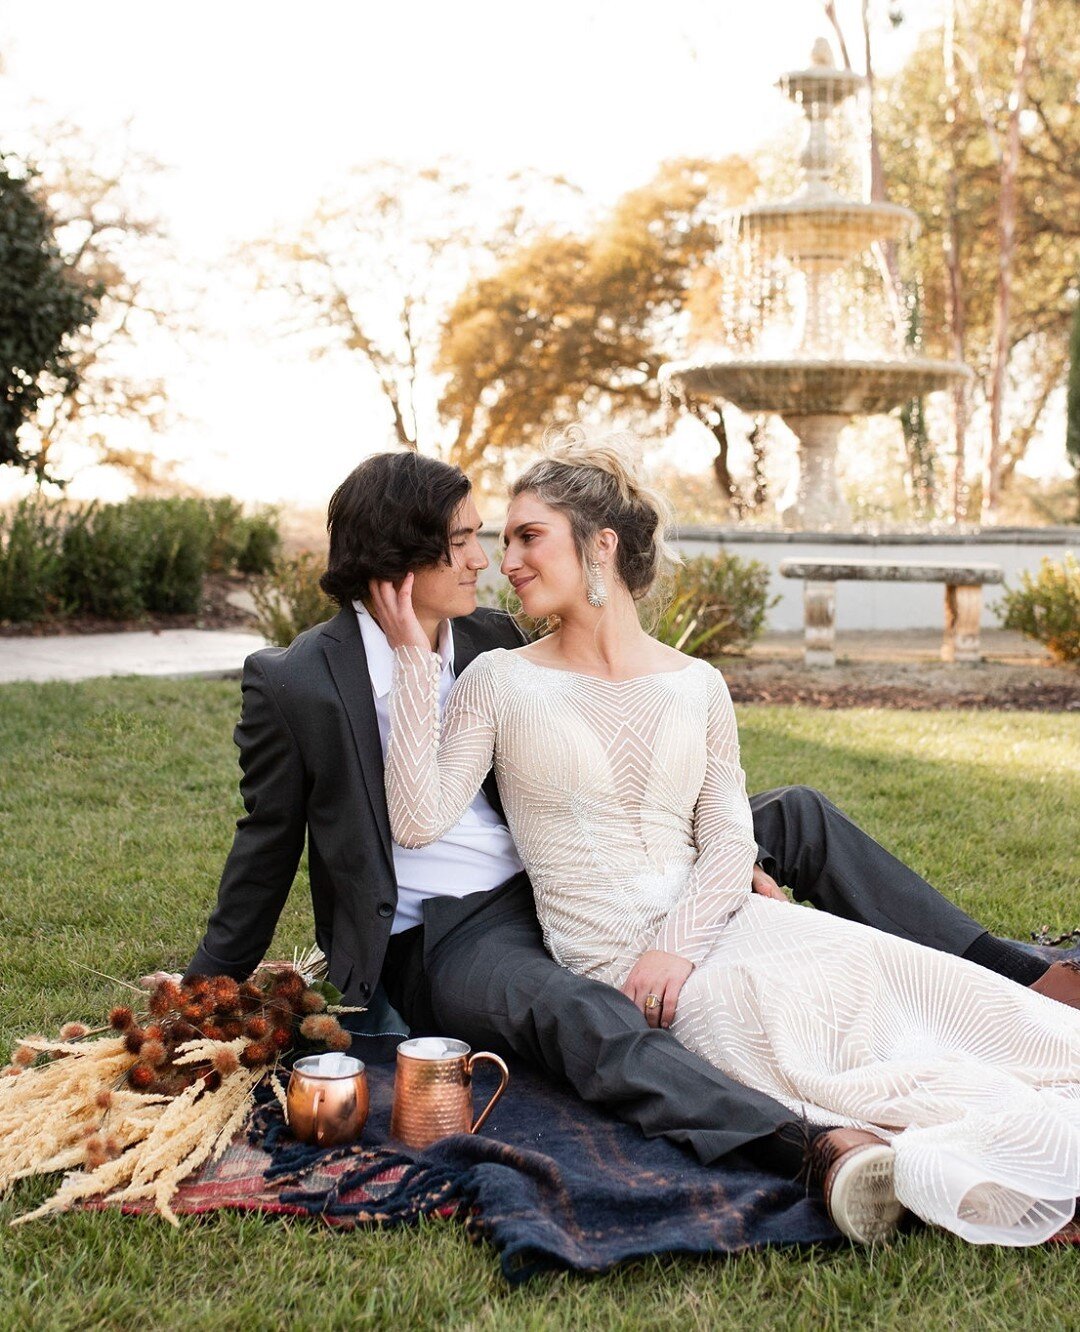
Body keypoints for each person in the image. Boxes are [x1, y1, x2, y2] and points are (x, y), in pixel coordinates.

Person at [373, 430, 1080, 1248]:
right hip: (617, 959)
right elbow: (418, 819)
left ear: (600, 544)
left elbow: (726, 839)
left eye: (528, 535)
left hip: (715, 928)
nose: (507, 560)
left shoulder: (696, 683)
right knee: (811, 1029)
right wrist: (414, 659)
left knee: (894, 975)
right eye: (503, 541)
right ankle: (952, 1157)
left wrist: (682, 940)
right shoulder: (498, 682)